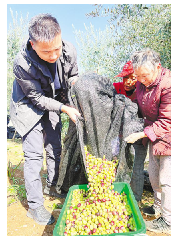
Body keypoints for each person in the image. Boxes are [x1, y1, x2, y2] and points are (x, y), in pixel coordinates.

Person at [9, 14, 81, 225]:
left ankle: (53, 185)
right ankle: (35, 206)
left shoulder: (69, 50)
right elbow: (36, 98)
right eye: (46, 51)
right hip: (28, 106)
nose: (53, 55)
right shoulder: (22, 63)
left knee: (55, 147)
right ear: (33, 44)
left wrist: (76, 87)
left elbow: (73, 75)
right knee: (33, 156)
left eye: (56, 48)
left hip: (55, 101)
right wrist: (64, 108)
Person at [125, 48, 171, 236]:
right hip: (155, 136)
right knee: (155, 175)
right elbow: (140, 102)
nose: (141, 80)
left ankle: (170, 221)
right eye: (137, 76)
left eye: (144, 75)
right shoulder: (142, 82)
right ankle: (158, 208)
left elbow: (168, 122)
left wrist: (141, 134)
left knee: (168, 179)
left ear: (158, 66)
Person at [113, 60, 148, 203]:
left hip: (138, 136)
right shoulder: (115, 88)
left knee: (136, 168)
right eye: (125, 77)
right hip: (119, 135)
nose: (128, 81)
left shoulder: (144, 91)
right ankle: (115, 193)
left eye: (132, 78)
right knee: (115, 163)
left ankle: (135, 200)